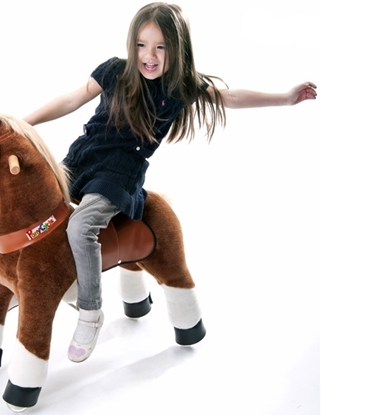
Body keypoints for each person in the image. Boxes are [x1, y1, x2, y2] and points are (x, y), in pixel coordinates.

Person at [23, 2, 317, 363]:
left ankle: (90, 311)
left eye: (161, 47)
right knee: (37, 210)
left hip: (118, 171)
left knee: (82, 225)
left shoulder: (180, 89)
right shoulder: (114, 71)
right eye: (142, 45)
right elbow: (71, 99)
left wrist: (285, 99)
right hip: (80, 159)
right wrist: (24, 125)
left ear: (176, 50)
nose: (149, 55)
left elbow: (231, 97)